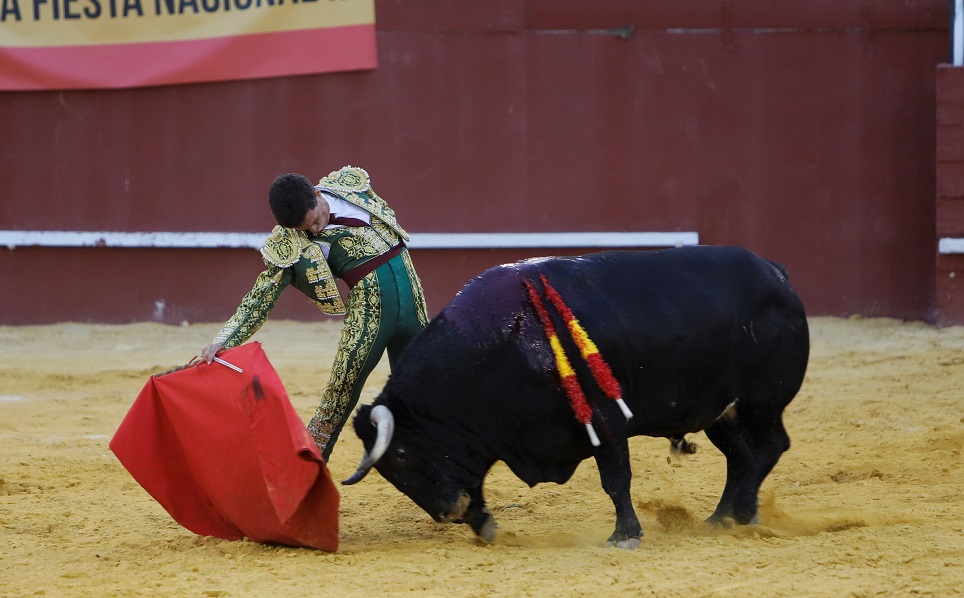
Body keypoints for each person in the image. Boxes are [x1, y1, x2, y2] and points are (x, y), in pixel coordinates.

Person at [200, 165, 429, 461]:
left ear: (318, 195)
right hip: (371, 316)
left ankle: (439, 462)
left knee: (425, 383)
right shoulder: (292, 243)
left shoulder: (351, 187)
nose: (315, 230)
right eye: (305, 230)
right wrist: (225, 339)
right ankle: (307, 466)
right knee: (340, 390)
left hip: (414, 299)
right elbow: (263, 294)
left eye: (316, 220)